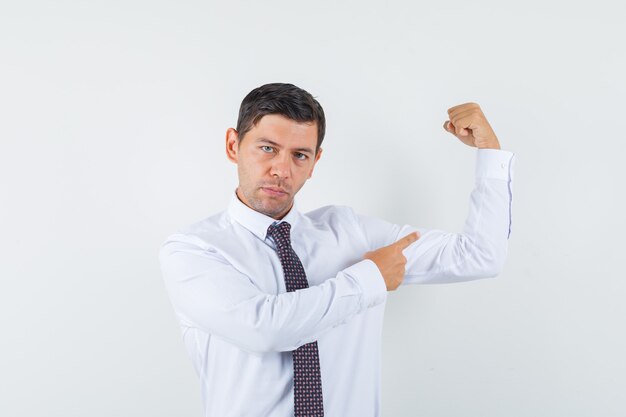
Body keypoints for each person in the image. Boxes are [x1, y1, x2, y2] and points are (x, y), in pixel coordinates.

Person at [159, 82, 515, 417]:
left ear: (315, 162)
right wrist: (369, 279)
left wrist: (490, 153)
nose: (281, 169)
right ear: (233, 146)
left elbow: (479, 256)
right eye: (267, 148)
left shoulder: (349, 232)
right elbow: (265, 329)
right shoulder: (194, 250)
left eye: (300, 155)